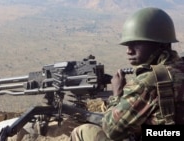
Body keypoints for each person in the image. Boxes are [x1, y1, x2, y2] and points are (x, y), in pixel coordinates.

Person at [70, 7, 184, 141]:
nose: (129, 51)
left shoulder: (148, 82)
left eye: (136, 43)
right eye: (127, 45)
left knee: (83, 131)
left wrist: (116, 95)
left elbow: (112, 130)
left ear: (159, 44)